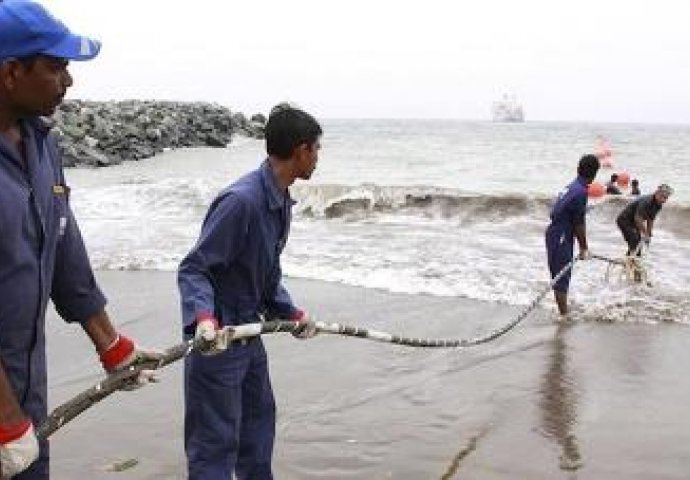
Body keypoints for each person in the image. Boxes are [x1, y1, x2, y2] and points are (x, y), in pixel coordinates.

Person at [0, 2, 162, 478]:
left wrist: (112, 344)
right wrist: (7, 423)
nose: (68, 82)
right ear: (11, 72)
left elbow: (64, 248)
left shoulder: (42, 143)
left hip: (24, 388)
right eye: (56, 67)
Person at [178, 104, 322, 479]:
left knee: (258, 439)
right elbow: (195, 268)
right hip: (219, 341)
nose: (319, 157)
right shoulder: (241, 202)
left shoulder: (280, 200)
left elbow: (264, 276)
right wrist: (204, 321)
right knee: (214, 448)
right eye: (317, 149)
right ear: (301, 150)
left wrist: (291, 314)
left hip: (250, 335)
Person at [545, 154, 600, 316]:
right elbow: (578, 224)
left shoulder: (572, 185)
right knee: (561, 278)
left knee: (559, 275)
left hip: (554, 233)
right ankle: (564, 315)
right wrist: (584, 248)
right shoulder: (581, 192)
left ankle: (562, 309)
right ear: (595, 173)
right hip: (561, 236)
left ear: (578, 169)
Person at [616, 184, 673, 257]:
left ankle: (632, 260)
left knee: (638, 244)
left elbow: (651, 219)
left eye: (666, 198)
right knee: (634, 239)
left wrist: (649, 234)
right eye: (662, 197)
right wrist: (645, 233)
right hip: (624, 220)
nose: (663, 200)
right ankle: (630, 261)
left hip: (633, 222)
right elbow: (638, 219)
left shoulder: (659, 205)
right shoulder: (647, 201)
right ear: (656, 193)